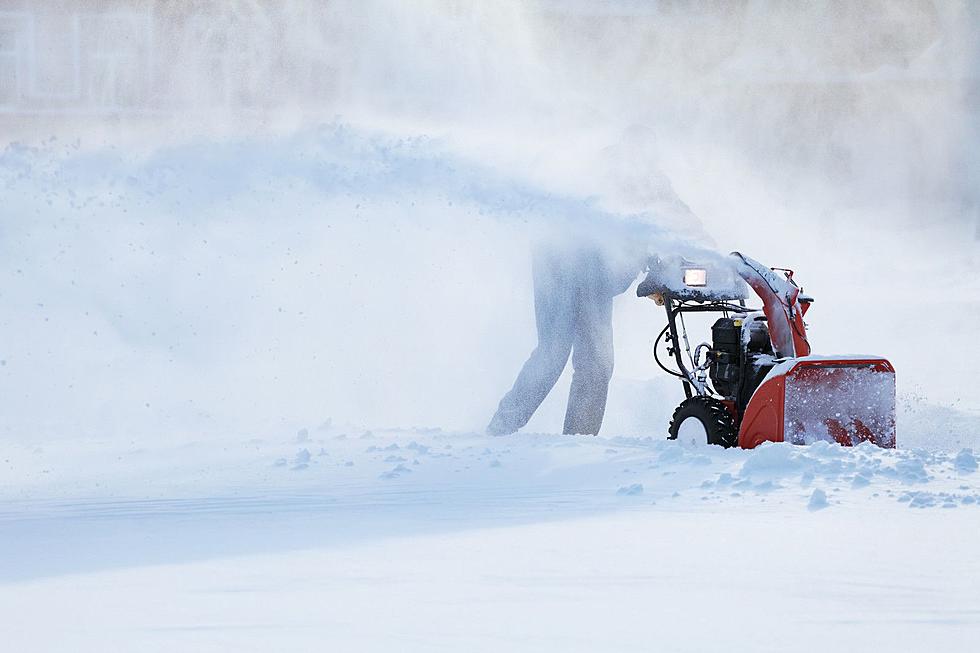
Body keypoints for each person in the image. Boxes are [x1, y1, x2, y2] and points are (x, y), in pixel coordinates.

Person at [487, 124, 706, 436]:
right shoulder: (605, 176)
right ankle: (501, 429)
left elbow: (681, 222)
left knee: (597, 364)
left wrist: (712, 256)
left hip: (595, 279)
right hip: (561, 264)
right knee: (553, 351)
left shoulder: (652, 185)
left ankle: (578, 439)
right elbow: (628, 230)